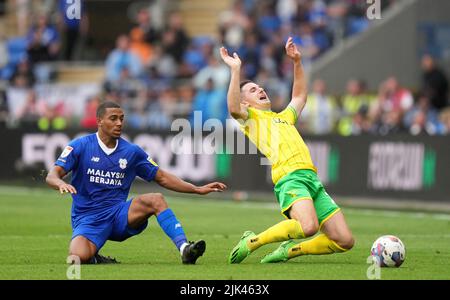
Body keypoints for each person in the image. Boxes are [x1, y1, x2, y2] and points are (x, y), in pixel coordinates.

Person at [219, 37, 354, 264]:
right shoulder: (251, 119)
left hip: (311, 179)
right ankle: (253, 241)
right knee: (308, 226)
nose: (260, 89)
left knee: (344, 240)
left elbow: (300, 96)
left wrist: (297, 62)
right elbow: (233, 108)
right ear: (247, 103)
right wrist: (235, 70)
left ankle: (290, 251)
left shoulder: (283, 118)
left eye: (259, 86)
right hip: (290, 178)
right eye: (253, 90)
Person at [45, 101, 226, 264]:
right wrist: (59, 183)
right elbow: (52, 175)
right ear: (99, 121)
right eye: (113, 118)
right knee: (76, 258)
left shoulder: (132, 151)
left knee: (156, 199)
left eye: (121, 119)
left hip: (119, 215)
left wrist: (197, 189)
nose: (119, 123)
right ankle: (94, 257)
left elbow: (161, 177)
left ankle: (185, 249)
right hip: (88, 219)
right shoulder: (80, 145)